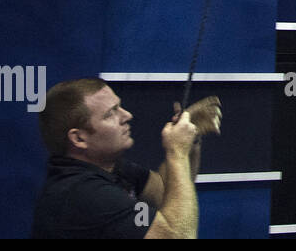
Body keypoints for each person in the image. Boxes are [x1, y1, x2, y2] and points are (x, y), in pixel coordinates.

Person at [31, 78, 222, 239]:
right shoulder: (84, 193)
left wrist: (191, 140)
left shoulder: (110, 169)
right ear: (79, 138)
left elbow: (167, 193)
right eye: (110, 113)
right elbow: (180, 235)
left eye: (120, 107)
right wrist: (177, 152)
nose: (127, 115)